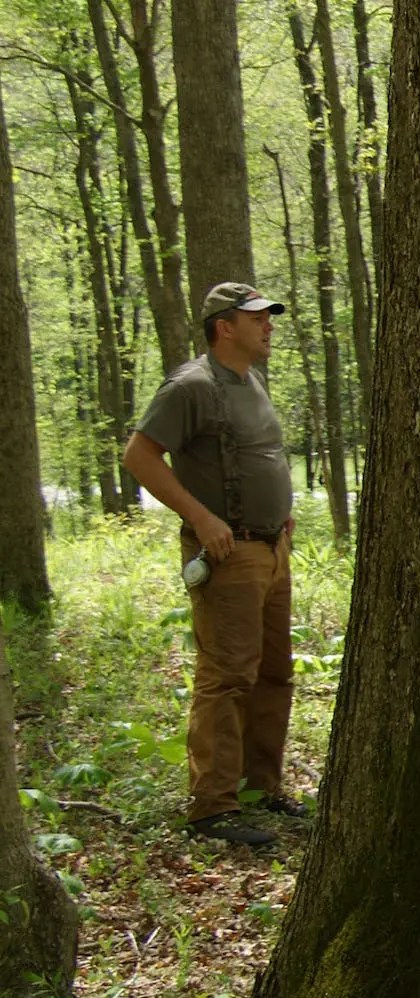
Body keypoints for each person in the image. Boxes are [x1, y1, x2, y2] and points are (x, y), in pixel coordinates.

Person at [120, 282, 302, 848]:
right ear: (225, 326)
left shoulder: (253, 380)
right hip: (227, 554)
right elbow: (139, 456)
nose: (268, 326)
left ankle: (260, 786)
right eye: (257, 319)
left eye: (268, 318)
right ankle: (211, 807)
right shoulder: (191, 386)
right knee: (226, 677)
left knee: (273, 672)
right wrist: (201, 519)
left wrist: (283, 518)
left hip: (271, 550)